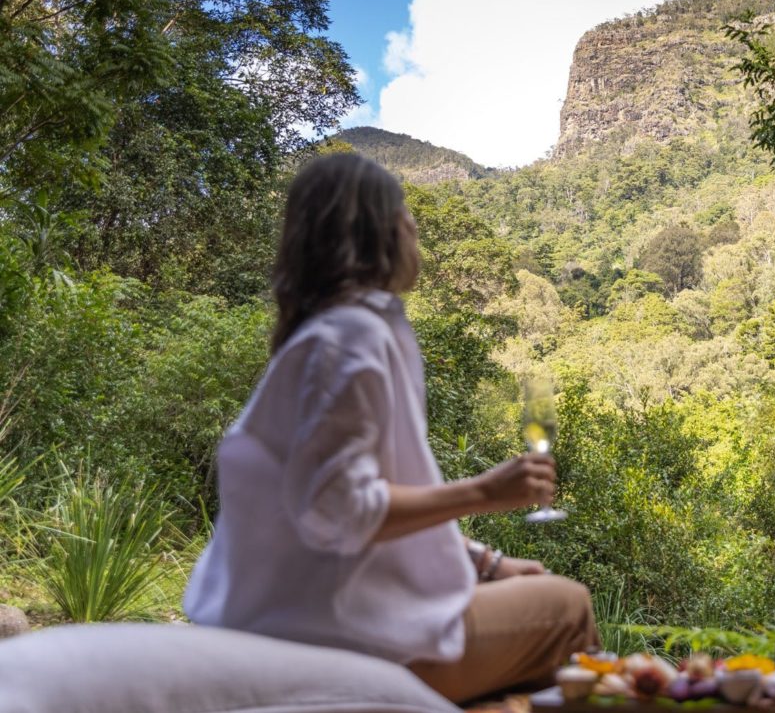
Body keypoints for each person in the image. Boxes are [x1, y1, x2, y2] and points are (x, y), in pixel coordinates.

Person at [183, 153, 598, 703]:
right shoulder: (350, 338)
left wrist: (487, 564)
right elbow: (337, 510)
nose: (416, 231)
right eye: (407, 218)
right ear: (379, 234)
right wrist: (483, 492)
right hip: (326, 641)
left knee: (534, 598)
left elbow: (343, 501)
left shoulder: (321, 336)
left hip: (277, 624)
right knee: (568, 607)